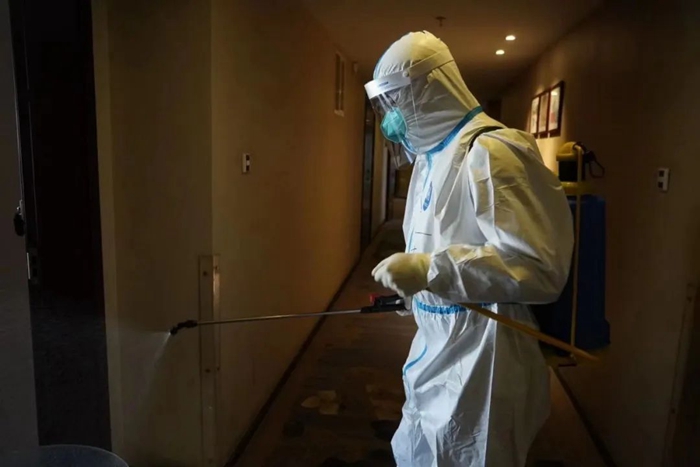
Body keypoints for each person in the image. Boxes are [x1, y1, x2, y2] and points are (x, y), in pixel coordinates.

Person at [365, 31, 574, 466]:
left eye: (397, 100)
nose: (391, 120)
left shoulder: (493, 152)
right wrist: (415, 290)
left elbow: (539, 268)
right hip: (435, 345)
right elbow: (434, 243)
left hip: (486, 356)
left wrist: (429, 271)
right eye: (386, 104)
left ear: (431, 89)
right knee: (418, 452)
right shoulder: (429, 159)